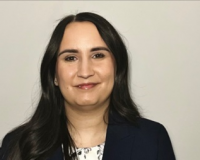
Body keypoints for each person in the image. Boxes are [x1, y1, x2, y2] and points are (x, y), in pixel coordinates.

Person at [0, 12, 176, 160]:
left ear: (117, 68)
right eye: (70, 58)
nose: (85, 72)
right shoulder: (17, 145)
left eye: (98, 55)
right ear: (54, 75)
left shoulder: (152, 139)